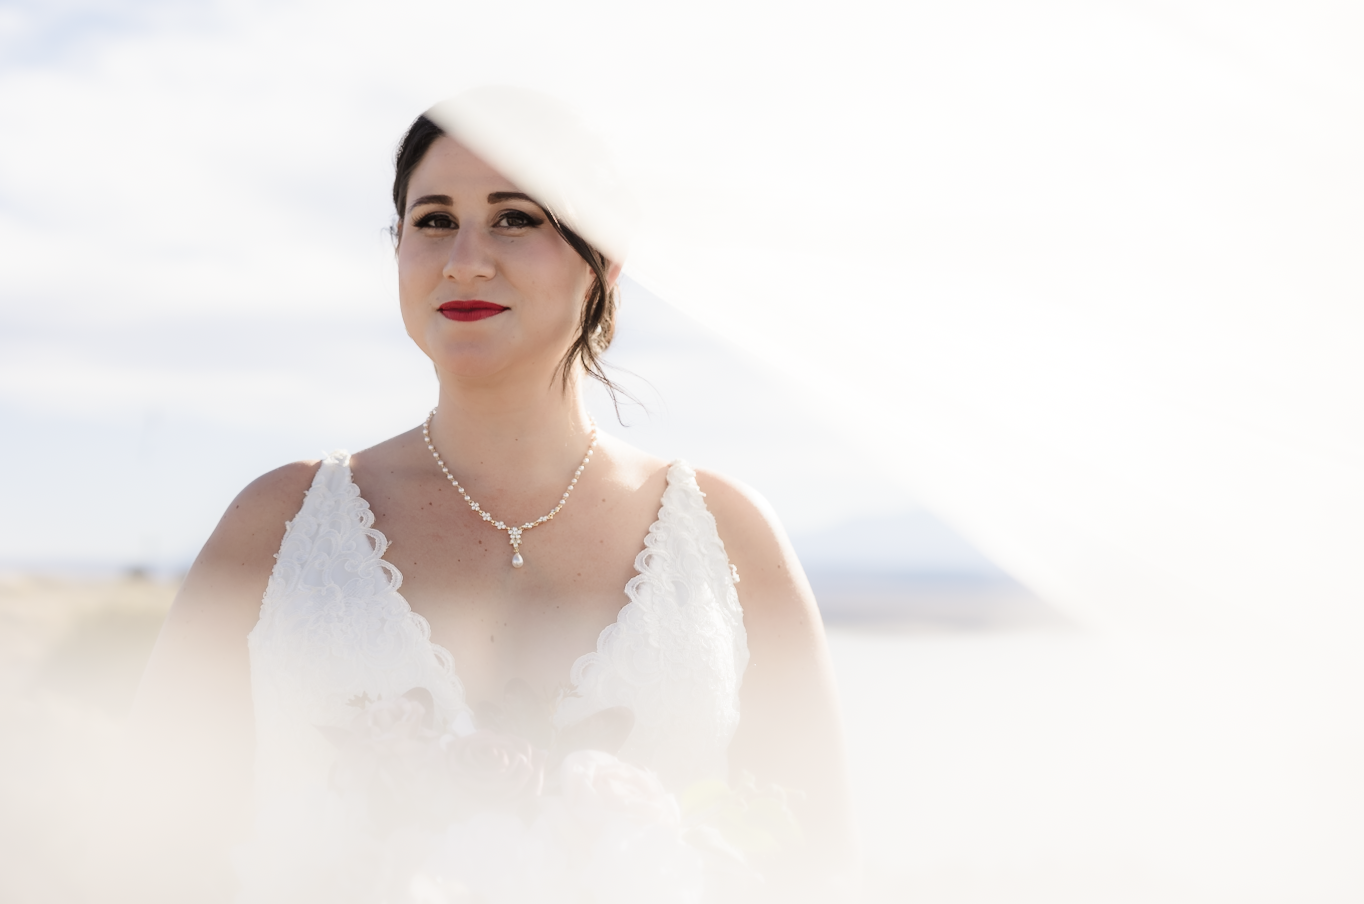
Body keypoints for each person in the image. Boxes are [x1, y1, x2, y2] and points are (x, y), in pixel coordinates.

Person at [131, 94, 851, 902]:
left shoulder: (728, 535)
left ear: (603, 261)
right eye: (433, 221)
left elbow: (810, 855)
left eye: (514, 219)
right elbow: (156, 847)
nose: (465, 260)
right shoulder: (275, 523)